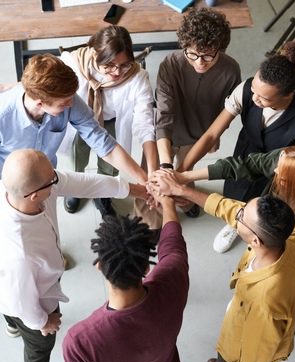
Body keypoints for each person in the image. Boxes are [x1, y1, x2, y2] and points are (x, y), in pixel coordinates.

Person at [148, 169, 295, 362]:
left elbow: (259, 350)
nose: (237, 214)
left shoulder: (265, 301)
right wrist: (183, 191)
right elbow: (230, 209)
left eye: (242, 216)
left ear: (255, 240)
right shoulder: (291, 231)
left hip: (246, 344)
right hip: (251, 329)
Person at [43, 190, 189, 362]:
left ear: (100, 266)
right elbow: (173, 244)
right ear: (146, 267)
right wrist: (167, 203)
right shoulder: (173, 280)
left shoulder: (81, 338)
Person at [0, 149, 147, 362]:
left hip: (21, 281)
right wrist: (42, 322)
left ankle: (11, 324)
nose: (58, 179)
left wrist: (139, 191)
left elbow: (86, 183)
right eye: (53, 179)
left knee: (16, 313)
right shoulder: (20, 254)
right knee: (39, 345)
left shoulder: (31, 190)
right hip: (30, 300)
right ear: (35, 195)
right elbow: (19, 300)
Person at [177, 40, 295, 252]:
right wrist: (181, 172)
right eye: (254, 91)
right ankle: (234, 223)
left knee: (262, 206)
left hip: (275, 170)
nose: (254, 98)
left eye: (263, 98)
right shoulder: (245, 90)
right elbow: (211, 134)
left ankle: (252, 229)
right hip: (244, 152)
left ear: (287, 95)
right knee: (234, 189)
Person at [172, 143, 295, 332]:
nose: (274, 169)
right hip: (273, 234)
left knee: (290, 281)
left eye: (281, 175)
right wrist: (184, 178)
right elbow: (246, 166)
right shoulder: (287, 159)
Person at [60, 25, 161, 233]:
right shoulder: (72, 63)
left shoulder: (137, 77)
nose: (117, 72)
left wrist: (151, 174)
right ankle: (75, 188)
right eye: (109, 65)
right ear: (95, 54)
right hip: (79, 120)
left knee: (110, 166)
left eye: (124, 65)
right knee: (76, 157)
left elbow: (144, 122)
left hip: (112, 121)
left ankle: (102, 194)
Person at [0, 53, 147, 185]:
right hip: (7, 183)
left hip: (47, 178)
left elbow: (101, 141)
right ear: (40, 104)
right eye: (64, 103)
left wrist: (145, 181)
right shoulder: (3, 116)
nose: (71, 105)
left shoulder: (67, 98)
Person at [154, 7, 241, 218]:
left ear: (220, 48)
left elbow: (226, 113)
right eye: (192, 53)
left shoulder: (231, 71)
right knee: (156, 177)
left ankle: (185, 202)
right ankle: (151, 220)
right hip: (166, 134)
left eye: (208, 55)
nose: (199, 62)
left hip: (200, 136)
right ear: (184, 45)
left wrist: (215, 137)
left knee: (185, 175)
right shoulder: (170, 65)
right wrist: (166, 166)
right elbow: (163, 116)